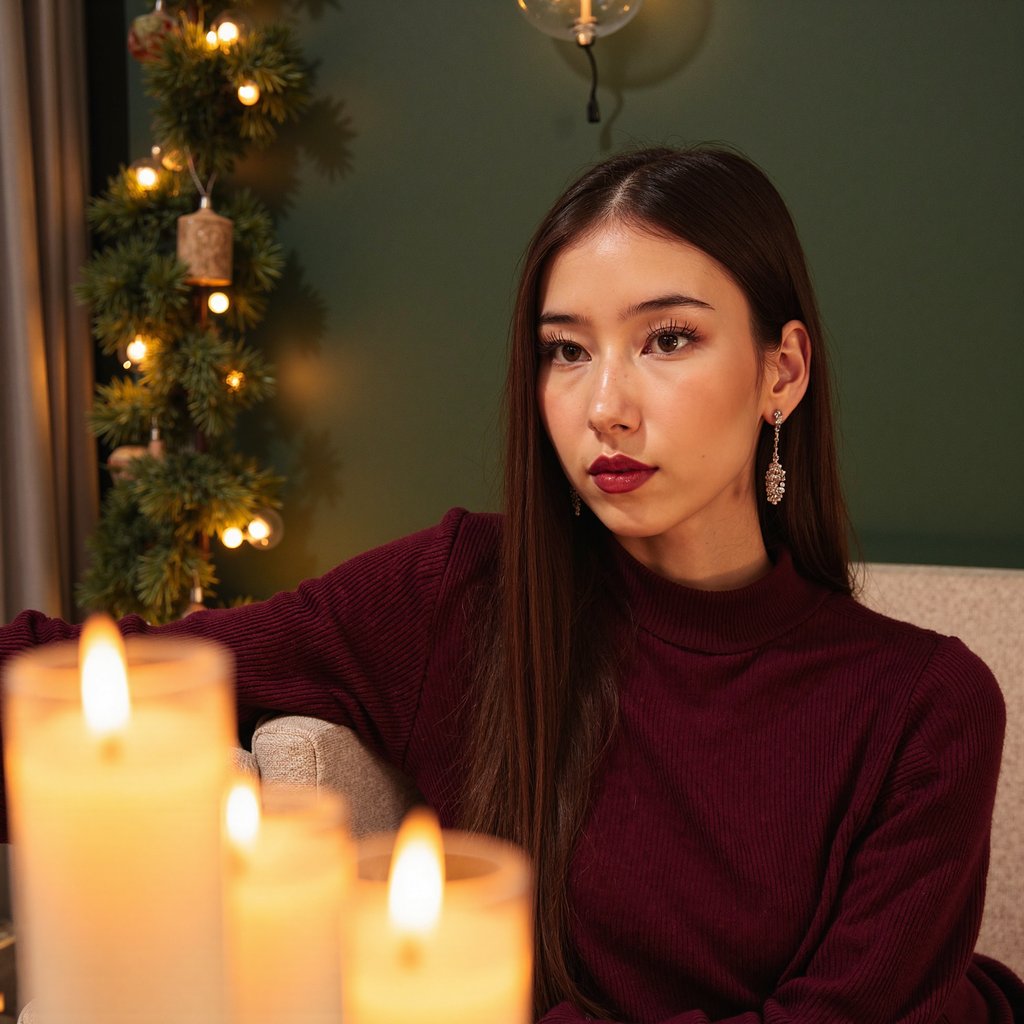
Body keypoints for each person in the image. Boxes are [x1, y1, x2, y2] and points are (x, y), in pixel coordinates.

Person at [1, 146, 1021, 1023]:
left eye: (668, 338)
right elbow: (118, 683)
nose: (605, 405)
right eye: (565, 351)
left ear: (781, 373)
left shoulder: (926, 706)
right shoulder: (467, 595)